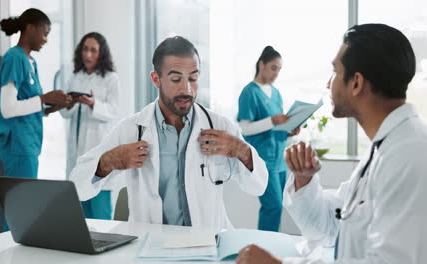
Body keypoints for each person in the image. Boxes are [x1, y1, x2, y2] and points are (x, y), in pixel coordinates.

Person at [237, 23, 427, 264]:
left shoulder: (410, 154)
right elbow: (330, 224)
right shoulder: (384, 147)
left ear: (356, 83)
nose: (329, 84)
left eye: (335, 72)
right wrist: (304, 180)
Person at [70, 36, 268, 232]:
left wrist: (241, 150)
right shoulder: (132, 129)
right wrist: (108, 162)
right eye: (175, 79)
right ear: (156, 79)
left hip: (207, 244)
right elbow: (77, 186)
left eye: (193, 78)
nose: (187, 89)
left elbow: (258, 186)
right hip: (152, 247)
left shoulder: (219, 126)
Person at [0, 8, 72, 181]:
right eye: (45, 34)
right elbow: (7, 108)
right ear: (30, 28)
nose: (46, 40)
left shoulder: (31, 62)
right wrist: (44, 98)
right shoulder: (14, 58)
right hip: (18, 145)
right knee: (22, 204)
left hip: (28, 144)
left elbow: (28, 104)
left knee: (24, 202)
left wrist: (50, 108)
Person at [237, 46, 300, 231]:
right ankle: (262, 251)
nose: (276, 73)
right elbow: (244, 129)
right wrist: (272, 120)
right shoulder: (250, 92)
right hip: (263, 160)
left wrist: (289, 131)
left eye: (279, 69)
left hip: (279, 159)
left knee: (278, 207)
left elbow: (275, 126)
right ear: (261, 64)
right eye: (273, 68)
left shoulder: (276, 93)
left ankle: (268, 247)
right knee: (273, 206)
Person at [60, 32, 121, 220]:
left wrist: (94, 104)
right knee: (80, 217)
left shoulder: (111, 79)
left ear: (101, 53)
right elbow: (64, 113)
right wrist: (69, 103)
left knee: (100, 216)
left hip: (98, 152)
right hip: (76, 151)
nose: (88, 55)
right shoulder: (74, 77)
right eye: (85, 49)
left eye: (93, 50)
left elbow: (114, 111)